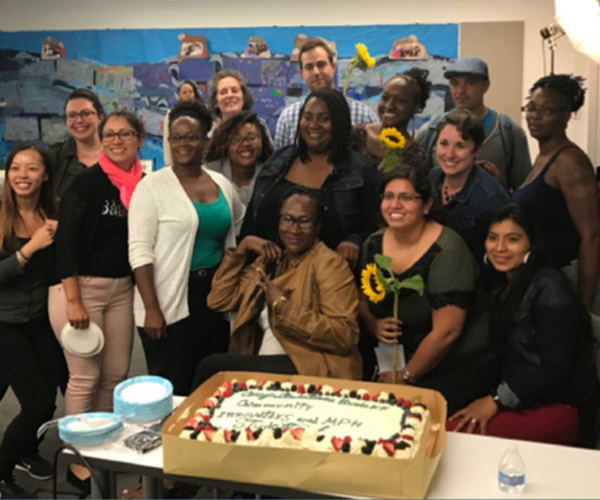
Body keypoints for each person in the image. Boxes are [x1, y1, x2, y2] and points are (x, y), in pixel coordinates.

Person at [48, 110, 145, 492]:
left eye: (125, 134)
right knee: (84, 378)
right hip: (80, 289)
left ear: (139, 138)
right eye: (111, 134)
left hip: (122, 289)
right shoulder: (88, 183)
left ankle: (100, 446)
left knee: (115, 374)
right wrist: (73, 300)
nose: (117, 140)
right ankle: (77, 459)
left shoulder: (145, 184)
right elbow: (66, 244)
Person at [449, 204, 599, 447]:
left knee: (454, 437)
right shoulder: (506, 283)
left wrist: (496, 400)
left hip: (562, 405)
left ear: (532, 243)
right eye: (493, 238)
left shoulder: (551, 292)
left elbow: (554, 371)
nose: (500, 248)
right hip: (520, 394)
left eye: (513, 239)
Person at [359, 165, 497, 415]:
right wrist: (372, 323)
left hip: (453, 363)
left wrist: (406, 376)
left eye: (406, 197)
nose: (395, 204)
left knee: (408, 417)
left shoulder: (448, 251)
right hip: (393, 358)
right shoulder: (372, 243)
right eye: (389, 197)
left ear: (426, 205)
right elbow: (361, 297)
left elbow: (446, 333)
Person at [129, 100, 245, 396]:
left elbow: (238, 222)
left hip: (214, 298)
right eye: (176, 137)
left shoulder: (221, 183)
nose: (183, 143)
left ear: (205, 139)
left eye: (191, 137)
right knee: (172, 385)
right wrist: (152, 309)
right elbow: (139, 252)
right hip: (168, 300)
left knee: (211, 378)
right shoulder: (151, 187)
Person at [193, 187, 362, 388]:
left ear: (318, 226)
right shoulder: (270, 261)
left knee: (212, 367)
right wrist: (242, 249)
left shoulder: (329, 264)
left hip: (313, 366)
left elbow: (345, 334)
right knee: (212, 367)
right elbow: (219, 300)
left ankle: (191, 420)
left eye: (304, 221)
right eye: (287, 219)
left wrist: (283, 306)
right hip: (269, 360)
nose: (294, 229)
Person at [242, 87, 380, 270]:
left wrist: (354, 241)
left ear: (340, 123)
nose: (313, 125)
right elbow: (252, 219)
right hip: (267, 276)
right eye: (307, 117)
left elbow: (375, 228)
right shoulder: (278, 161)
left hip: (328, 283)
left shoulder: (361, 173)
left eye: (325, 119)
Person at [0, 142, 62, 499]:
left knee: (47, 400)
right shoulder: (1, 215)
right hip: (5, 323)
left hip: (41, 320)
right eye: (15, 168)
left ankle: (26, 450)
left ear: (46, 175)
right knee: (36, 403)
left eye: (31, 168)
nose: (22, 176)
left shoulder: (54, 212)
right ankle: (2, 470)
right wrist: (30, 248)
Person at [512, 74, 600, 311]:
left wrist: (583, 304)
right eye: (531, 107)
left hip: (567, 281)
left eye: (547, 110)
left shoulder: (570, 161)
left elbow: (591, 236)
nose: (535, 116)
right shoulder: (543, 157)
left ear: (567, 115)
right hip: (545, 279)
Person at [415, 56, 531, 191]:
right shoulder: (431, 130)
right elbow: (417, 187)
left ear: (485, 86)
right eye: (454, 83)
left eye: (470, 83)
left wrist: (499, 186)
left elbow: (524, 191)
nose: (460, 91)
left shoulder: (508, 131)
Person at [429, 110, 509, 263]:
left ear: (476, 150)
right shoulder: (433, 178)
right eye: (443, 144)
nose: (449, 154)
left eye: (460, 146)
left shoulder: (491, 199)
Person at [274, 38, 379, 149]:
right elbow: (281, 163)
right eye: (309, 67)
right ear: (302, 74)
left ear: (333, 67)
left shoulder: (364, 115)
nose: (316, 72)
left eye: (321, 65)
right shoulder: (288, 118)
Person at [350, 67, 430, 171]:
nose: (389, 105)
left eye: (400, 101)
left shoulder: (416, 157)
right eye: (385, 98)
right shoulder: (357, 136)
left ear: (416, 108)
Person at [205, 111, 275, 206]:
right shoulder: (210, 174)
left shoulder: (273, 176)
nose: (245, 144)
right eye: (236, 139)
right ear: (226, 144)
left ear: (263, 141)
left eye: (251, 137)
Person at [48, 88, 105, 197]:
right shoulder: (54, 156)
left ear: (100, 117)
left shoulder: (116, 154)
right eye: (72, 115)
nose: (78, 120)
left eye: (86, 113)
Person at [163, 79, 203, 166]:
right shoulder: (171, 114)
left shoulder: (202, 112)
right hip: (178, 162)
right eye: (184, 92)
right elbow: (167, 139)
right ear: (179, 96)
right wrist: (168, 163)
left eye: (190, 92)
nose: (188, 94)